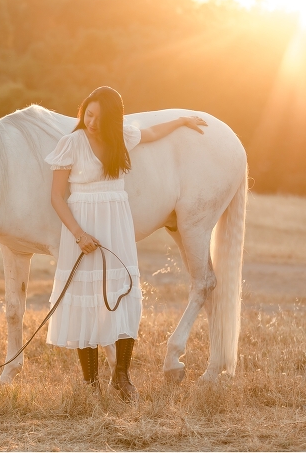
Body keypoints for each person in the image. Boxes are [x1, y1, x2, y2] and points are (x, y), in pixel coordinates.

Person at [44, 86, 207, 402]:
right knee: (86, 300)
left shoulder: (121, 139)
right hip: (84, 228)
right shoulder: (71, 144)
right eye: (88, 114)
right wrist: (79, 234)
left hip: (116, 225)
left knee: (123, 295)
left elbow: (152, 132)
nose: (91, 122)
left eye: (99, 118)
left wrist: (182, 121)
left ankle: (121, 376)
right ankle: (91, 382)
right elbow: (55, 196)